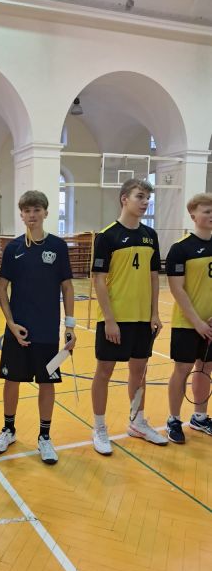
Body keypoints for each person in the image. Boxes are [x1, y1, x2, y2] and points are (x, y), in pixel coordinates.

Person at [0, 190, 76, 465]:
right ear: (22, 214)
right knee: (11, 380)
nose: (32, 215)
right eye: (27, 210)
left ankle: (45, 437)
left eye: (37, 210)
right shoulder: (13, 248)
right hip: (18, 330)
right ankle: (8, 430)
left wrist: (70, 325)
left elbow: (67, 287)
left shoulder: (58, 247)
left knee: (47, 382)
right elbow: (1, 288)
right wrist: (10, 323)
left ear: (46, 213)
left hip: (47, 331)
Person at [90, 178, 167, 455]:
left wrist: (154, 312)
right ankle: (99, 427)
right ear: (124, 199)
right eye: (140, 196)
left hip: (142, 318)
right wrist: (110, 320)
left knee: (139, 370)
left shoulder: (150, 235)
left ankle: (137, 421)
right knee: (104, 372)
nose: (145, 202)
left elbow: (154, 276)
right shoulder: (107, 236)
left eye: (147, 198)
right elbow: (99, 280)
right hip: (115, 317)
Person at [165, 193, 212, 443]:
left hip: (210, 324)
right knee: (182, 369)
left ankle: (200, 417)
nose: (211, 215)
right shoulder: (181, 248)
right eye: (207, 211)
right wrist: (197, 322)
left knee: (205, 368)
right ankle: (174, 419)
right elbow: (177, 289)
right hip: (187, 322)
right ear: (193, 215)